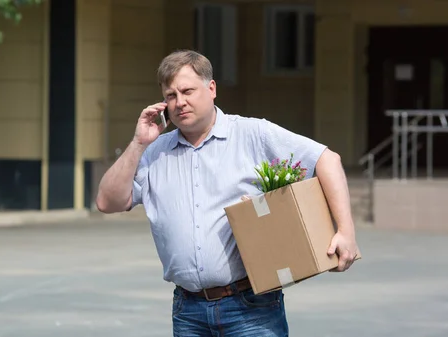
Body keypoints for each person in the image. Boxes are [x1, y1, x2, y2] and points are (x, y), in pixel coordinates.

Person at [96, 49, 359, 336]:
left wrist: (345, 231)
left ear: (211, 89)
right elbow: (108, 202)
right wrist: (137, 143)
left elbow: (326, 159)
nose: (179, 102)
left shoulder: (252, 134)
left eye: (187, 91)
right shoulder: (154, 152)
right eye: (170, 96)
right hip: (188, 311)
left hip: (251, 309)